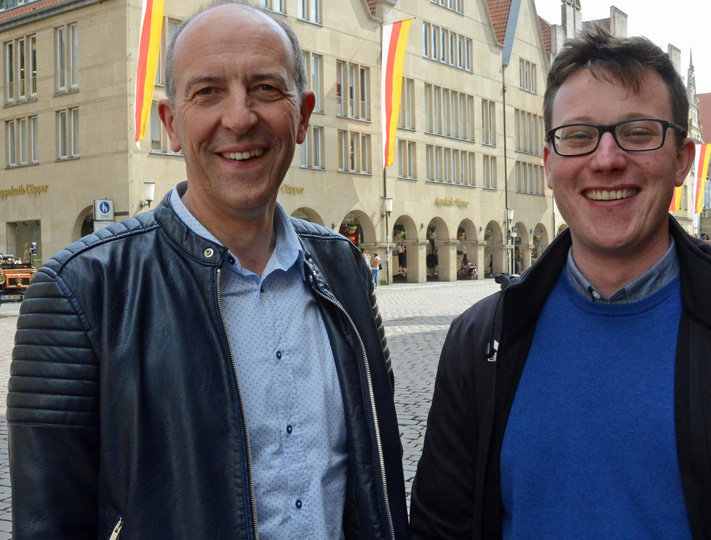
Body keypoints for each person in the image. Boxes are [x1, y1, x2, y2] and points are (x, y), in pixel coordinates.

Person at [410, 24, 711, 539]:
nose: (606, 160)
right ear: (549, 163)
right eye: (578, 136)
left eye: (638, 132)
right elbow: (442, 526)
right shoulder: (482, 339)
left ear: (683, 160)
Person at [6, 4, 409, 539]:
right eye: (208, 92)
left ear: (304, 115)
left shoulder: (343, 268)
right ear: (171, 124)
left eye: (266, 88)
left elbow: (377, 472)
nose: (239, 118)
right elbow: (50, 524)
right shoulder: (82, 290)